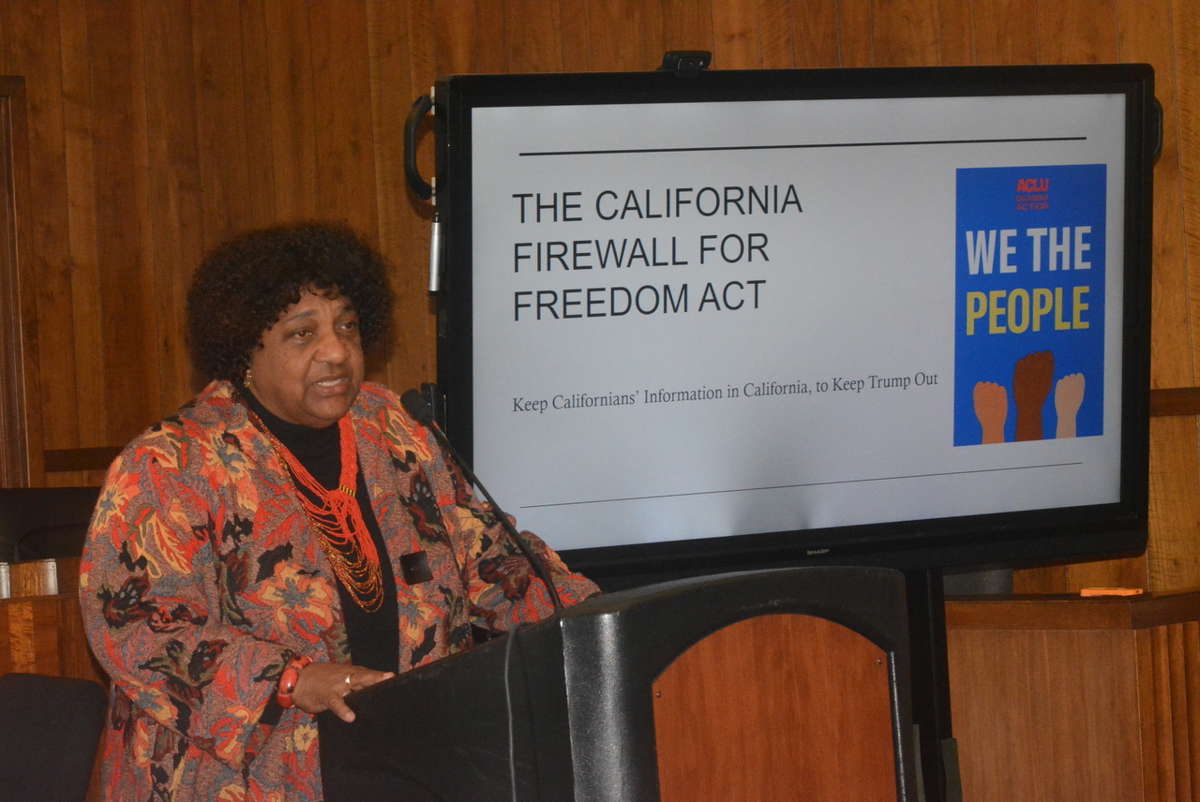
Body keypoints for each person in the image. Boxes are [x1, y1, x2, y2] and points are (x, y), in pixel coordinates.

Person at [79, 222, 599, 801]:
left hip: (406, 761)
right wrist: (290, 679)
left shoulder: (392, 427)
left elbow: (489, 559)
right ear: (244, 349)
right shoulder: (171, 464)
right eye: (302, 334)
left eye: (347, 326)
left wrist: (593, 620)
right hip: (240, 781)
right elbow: (136, 628)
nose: (336, 351)